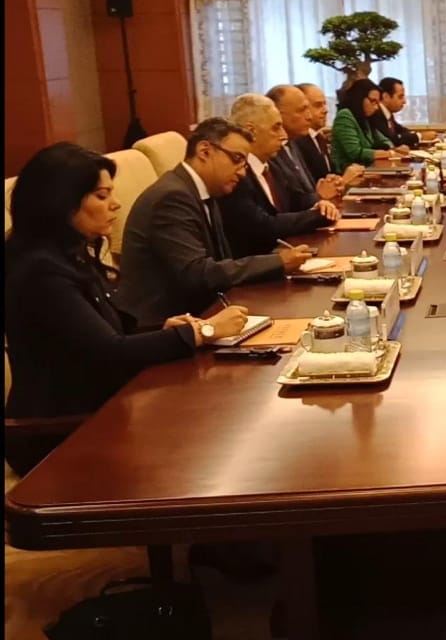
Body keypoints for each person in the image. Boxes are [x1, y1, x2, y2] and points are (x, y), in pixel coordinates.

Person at [4, 143, 249, 475]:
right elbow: (110, 352)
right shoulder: (41, 272)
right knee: (207, 450)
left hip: (101, 408)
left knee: (217, 423)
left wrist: (164, 329)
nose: (115, 204)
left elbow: (103, 334)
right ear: (62, 202)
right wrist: (202, 331)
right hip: (58, 432)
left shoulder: (68, 254)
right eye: (102, 196)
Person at [116, 118, 314, 327]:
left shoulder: (205, 190)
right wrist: (277, 262)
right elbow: (199, 273)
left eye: (245, 164)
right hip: (164, 325)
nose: (242, 172)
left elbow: (222, 261)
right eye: (237, 159)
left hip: (203, 311)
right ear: (205, 151)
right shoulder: (172, 197)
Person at [222, 94, 340, 257]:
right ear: (250, 132)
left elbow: (296, 200)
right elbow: (265, 225)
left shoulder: (273, 166)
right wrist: (316, 216)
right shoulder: (236, 175)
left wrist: (321, 204)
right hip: (259, 263)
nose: (284, 135)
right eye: (276, 128)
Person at [265, 85, 357, 205]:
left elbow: (309, 191)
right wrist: (320, 195)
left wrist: (331, 186)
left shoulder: (293, 143)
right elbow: (291, 204)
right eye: (301, 110)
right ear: (278, 114)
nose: (309, 116)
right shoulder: (270, 152)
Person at [331, 79, 409, 172]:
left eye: (377, 103)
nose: (376, 107)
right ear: (359, 98)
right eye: (373, 101)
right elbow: (355, 152)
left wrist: (395, 149)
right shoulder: (345, 116)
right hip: (347, 173)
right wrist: (389, 153)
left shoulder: (365, 117)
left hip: (367, 170)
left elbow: (382, 139)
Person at [370, 77, 437, 148]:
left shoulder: (387, 113)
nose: (404, 101)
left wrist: (418, 134)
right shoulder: (375, 114)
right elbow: (392, 139)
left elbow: (400, 130)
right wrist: (420, 136)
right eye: (400, 97)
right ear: (386, 97)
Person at [296, 82, 337, 181]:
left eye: (324, 104)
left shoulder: (319, 137)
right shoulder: (297, 140)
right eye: (318, 105)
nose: (325, 110)